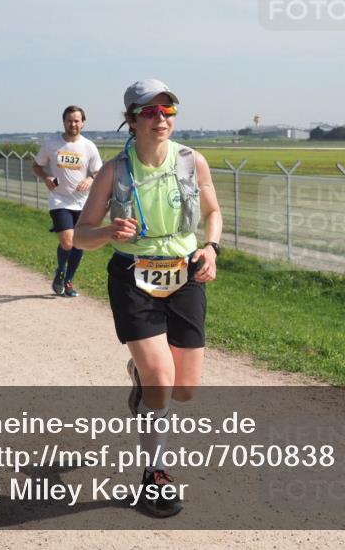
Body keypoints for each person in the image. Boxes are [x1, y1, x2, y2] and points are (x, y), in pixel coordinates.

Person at [74, 79, 222, 518]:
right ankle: (155, 473)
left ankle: (141, 379)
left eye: (167, 111)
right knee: (161, 377)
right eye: (151, 112)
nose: (161, 119)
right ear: (132, 120)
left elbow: (213, 212)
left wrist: (211, 248)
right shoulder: (114, 172)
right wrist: (107, 232)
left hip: (185, 275)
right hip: (132, 277)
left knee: (184, 390)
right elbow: (80, 236)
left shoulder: (192, 161)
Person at [32, 105, 102, 297]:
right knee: (68, 242)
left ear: (83, 123)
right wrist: (46, 177)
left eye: (76, 121)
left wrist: (90, 179)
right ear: (63, 122)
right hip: (59, 200)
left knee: (79, 243)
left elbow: (98, 172)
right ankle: (60, 271)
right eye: (69, 120)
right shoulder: (51, 144)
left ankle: (68, 280)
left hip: (82, 202)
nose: (73, 124)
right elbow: (36, 166)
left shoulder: (89, 146)